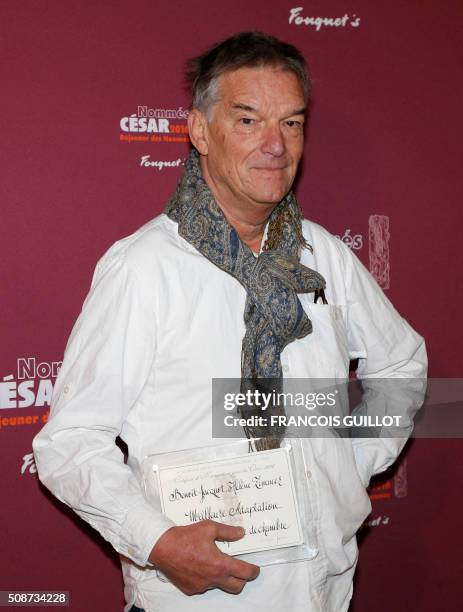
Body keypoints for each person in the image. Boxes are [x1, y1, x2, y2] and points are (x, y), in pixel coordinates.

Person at [33, 31, 427, 612]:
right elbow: (69, 442)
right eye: (248, 121)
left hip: (324, 590)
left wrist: (353, 458)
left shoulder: (324, 255)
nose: (275, 144)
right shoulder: (144, 268)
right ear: (199, 131)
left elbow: (402, 363)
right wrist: (158, 541)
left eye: (291, 123)